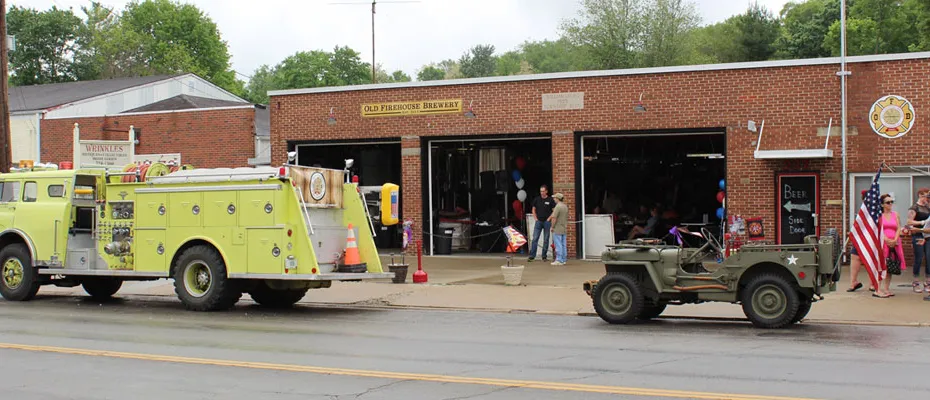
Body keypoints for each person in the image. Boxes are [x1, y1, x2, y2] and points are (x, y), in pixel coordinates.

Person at [876, 194, 904, 298]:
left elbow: (898, 227)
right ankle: (878, 289)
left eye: (892, 202)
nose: (890, 204)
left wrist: (895, 239)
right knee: (881, 266)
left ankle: (886, 288)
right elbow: (877, 229)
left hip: (895, 243)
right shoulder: (879, 215)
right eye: (888, 202)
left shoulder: (895, 214)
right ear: (882, 204)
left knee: (890, 265)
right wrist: (886, 239)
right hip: (883, 242)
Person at [848, 190, 873, 292]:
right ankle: (853, 282)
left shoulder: (876, 209)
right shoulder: (862, 210)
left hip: (872, 237)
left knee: (871, 259)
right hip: (860, 237)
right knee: (855, 257)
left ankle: (872, 283)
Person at [906, 188, 930, 293]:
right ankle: (916, 282)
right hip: (918, 235)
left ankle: (928, 282)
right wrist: (922, 222)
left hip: (928, 235)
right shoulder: (915, 208)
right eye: (925, 196)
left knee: (929, 258)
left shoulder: (928, 207)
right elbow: (909, 222)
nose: (927, 198)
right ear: (920, 195)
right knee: (919, 258)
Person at [528, 185, 555, 262]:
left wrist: (549, 218)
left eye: (543, 191)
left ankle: (544, 256)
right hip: (538, 222)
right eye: (541, 191)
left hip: (547, 222)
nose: (542, 193)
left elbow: (554, 211)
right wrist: (535, 218)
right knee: (535, 239)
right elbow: (533, 209)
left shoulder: (550, 200)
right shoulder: (537, 199)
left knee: (546, 239)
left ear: (546, 191)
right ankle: (532, 256)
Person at [549, 193, 569, 266]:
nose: (554, 199)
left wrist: (552, 227)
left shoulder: (557, 207)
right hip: (564, 227)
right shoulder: (565, 206)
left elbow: (554, 218)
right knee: (563, 244)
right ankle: (563, 259)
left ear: (557, 198)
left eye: (554, 198)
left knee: (558, 244)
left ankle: (559, 260)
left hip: (557, 228)